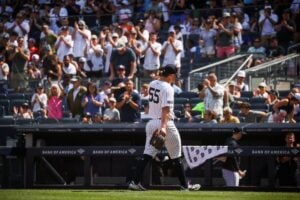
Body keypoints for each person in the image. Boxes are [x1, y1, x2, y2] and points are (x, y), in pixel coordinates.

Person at [128, 64, 200, 191]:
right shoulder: (168, 88)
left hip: (151, 123)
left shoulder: (153, 83)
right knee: (176, 156)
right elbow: (166, 109)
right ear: (171, 76)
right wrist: (163, 127)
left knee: (147, 155)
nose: (175, 78)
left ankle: (134, 181)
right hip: (165, 124)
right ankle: (184, 185)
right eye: (174, 76)